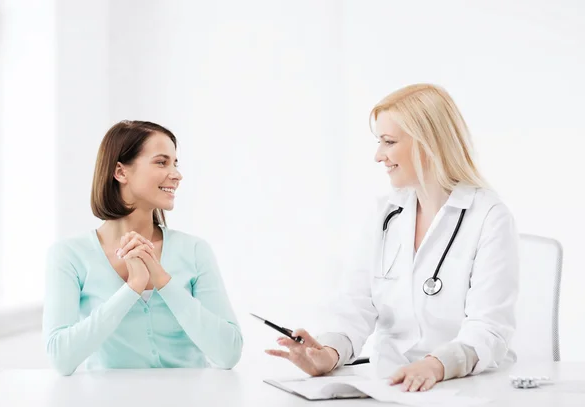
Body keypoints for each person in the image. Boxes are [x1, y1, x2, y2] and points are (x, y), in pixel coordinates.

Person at [266, 84, 519, 392]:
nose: (378, 156)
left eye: (388, 142)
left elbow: (489, 328)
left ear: (429, 144)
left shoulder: (489, 216)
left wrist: (436, 365)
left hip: (461, 385)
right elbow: (355, 305)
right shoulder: (385, 214)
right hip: (389, 385)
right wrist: (328, 355)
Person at [43, 120, 243, 375]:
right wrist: (133, 287)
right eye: (162, 162)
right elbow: (61, 359)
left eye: (175, 163)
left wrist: (162, 280)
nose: (176, 174)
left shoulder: (195, 250)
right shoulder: (69, 255)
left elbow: (228, 354)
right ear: (121, 172)